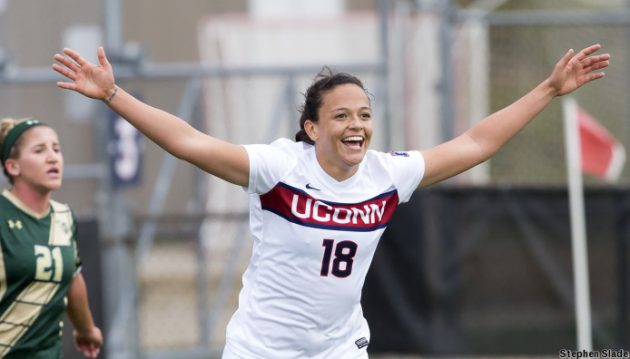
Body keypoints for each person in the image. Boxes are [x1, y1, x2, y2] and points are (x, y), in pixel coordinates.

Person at [52, 43, 609, 358]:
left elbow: (475, 143)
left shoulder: (388, 176)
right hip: (262, 350)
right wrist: (114, 95)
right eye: (341, 115)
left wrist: (549, 89)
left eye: (365, 115)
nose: (357, 125)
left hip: (339, 348)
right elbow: (188, 141)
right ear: (311, 127)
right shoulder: (276, 169)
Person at [0, 117, 103, 358]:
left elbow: (72, 280)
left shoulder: (63, 217)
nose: (52, 157)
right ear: (13, 166)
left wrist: (86, 330)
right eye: (39, 150)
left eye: (56, 149)